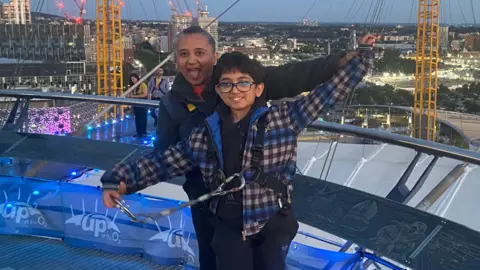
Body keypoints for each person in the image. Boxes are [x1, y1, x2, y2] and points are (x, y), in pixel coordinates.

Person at [101, 36, 376, 269]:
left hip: (271, 219)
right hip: (227, 221)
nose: (235, 90)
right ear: (218, 90)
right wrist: (120, 180)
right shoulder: (204, 133)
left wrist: (360, 59)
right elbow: (163, 161)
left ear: (258, 89)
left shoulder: (283, 119)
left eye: (243, 83)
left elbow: (327, 93)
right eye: (227, 85)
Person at [128, 73, 148, 137]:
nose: (133, 80)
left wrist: (134, 96)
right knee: (137, 118)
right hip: (135, 104)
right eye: (131, 79)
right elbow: (130, 94)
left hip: (142, 104)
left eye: (133, 79)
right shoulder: (132, 86)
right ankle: (138, 132)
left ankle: (143, 132)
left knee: (143, 118)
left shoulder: (143, 85)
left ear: (137, 78)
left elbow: (145, 94)